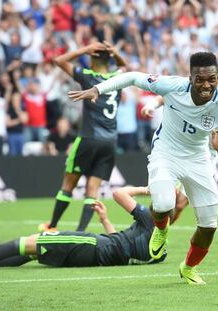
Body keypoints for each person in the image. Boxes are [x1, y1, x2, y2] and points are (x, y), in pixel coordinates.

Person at [67, 52, 218, 284]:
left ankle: (188, 267)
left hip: (199, 159)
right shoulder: (173, 85)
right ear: (190, 77)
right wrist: (99, 89)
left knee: (209, 226)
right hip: (166, 152)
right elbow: (133, 77)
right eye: (200, 79)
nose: (207, 85)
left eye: (212, 79)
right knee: (164, 204)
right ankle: (161, 230)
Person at [0, 185, 187, 271]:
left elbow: (119, 192)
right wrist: (105, 220)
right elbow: (124, 248)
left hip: (91, 246)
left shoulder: (150, 221)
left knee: (26, 242)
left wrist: (147, 189)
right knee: (30, 253)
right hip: (97, 255)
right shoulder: (160, 247)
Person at [39, 41, 126, 233]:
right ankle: (80, 232)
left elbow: (59, 60)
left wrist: (84, 49)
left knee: (68, 184)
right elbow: (124, 66)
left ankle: (52, 226)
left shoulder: (89, 76)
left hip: (89, 138)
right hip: (110, 142)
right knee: (92, 190)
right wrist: (116, 53)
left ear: (92, 59)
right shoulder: (118, 77)